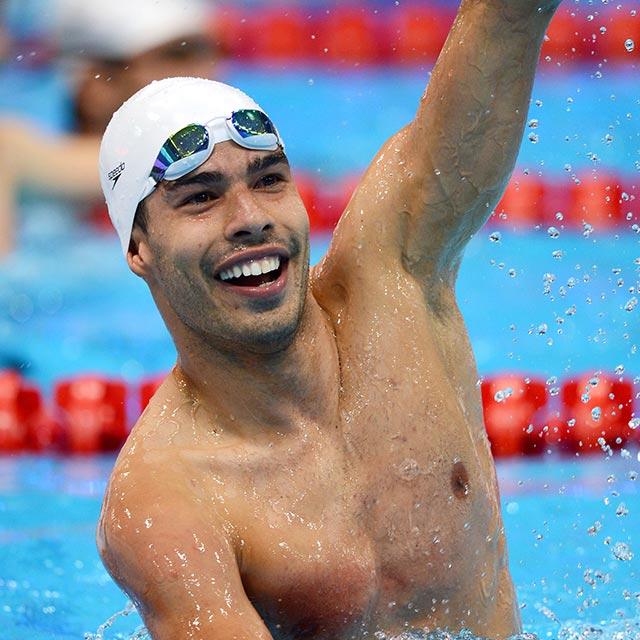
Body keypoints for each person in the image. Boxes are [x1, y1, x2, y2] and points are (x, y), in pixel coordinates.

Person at [96, 0, 561, 637]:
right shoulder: (167, 500)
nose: (251, 218)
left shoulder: (395, 277)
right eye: (201, 198)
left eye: (269, 180)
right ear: (138, 248)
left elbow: (507, 14)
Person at [0, 0, 223, 258]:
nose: (209, 72)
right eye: (179, 55)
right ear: (97, 85)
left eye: (211, 51)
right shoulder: (17, 165)